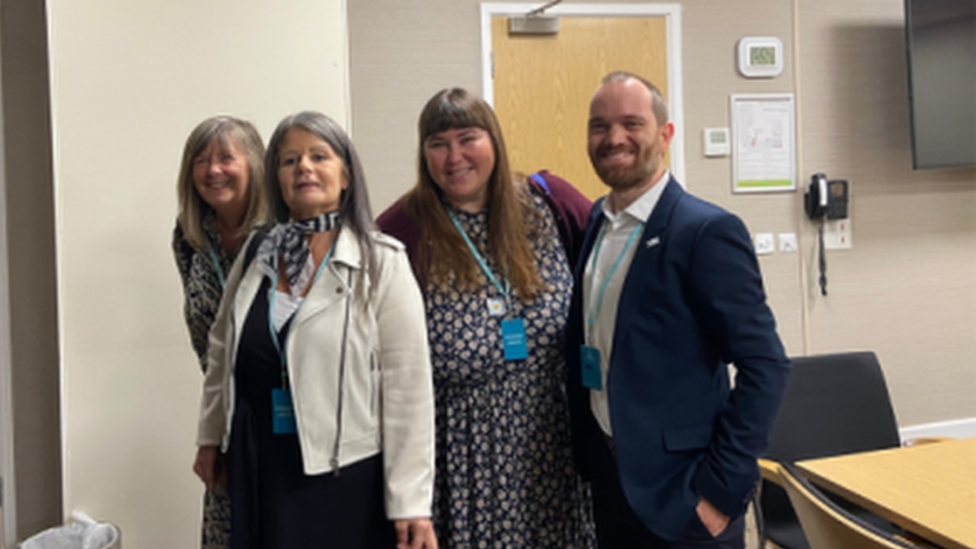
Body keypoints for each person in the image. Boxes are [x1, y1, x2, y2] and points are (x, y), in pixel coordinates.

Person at [564, 71, 793, 549]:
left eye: (631, 123)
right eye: (599, 126)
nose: (613, 139)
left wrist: (721, 492)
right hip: (612, 481)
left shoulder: (706, 232)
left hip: (684, 495)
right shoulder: (597, 223)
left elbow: (765, 365)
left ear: (665, 136)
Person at [194, 111, 437, 549]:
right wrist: (211, 437)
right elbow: (221, 347)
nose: (303, 167)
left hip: (343, 473)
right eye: (289, 160)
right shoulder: (257, 250)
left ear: (345, 175)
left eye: (318, 155)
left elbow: (409, 389)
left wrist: (411, 501)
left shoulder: (381, 260)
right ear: (277, 180)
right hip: (260, 462)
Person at [377, 88, 595, 549]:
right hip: (462, 463)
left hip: (553, 447)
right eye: (437, 143)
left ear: (493, 139)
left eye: (467, 138)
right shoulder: (402, 228)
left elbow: (610, 272)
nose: (454, 156)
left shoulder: (548, 203)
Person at [173, 115, 267, 549]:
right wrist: (212, 434)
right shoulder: (190, 236)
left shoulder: (281, 235)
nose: (212, 170)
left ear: (254, 165)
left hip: (282, 418)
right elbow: (207, 341)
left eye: (226, 158)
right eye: (201, 160)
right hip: (224, 417)